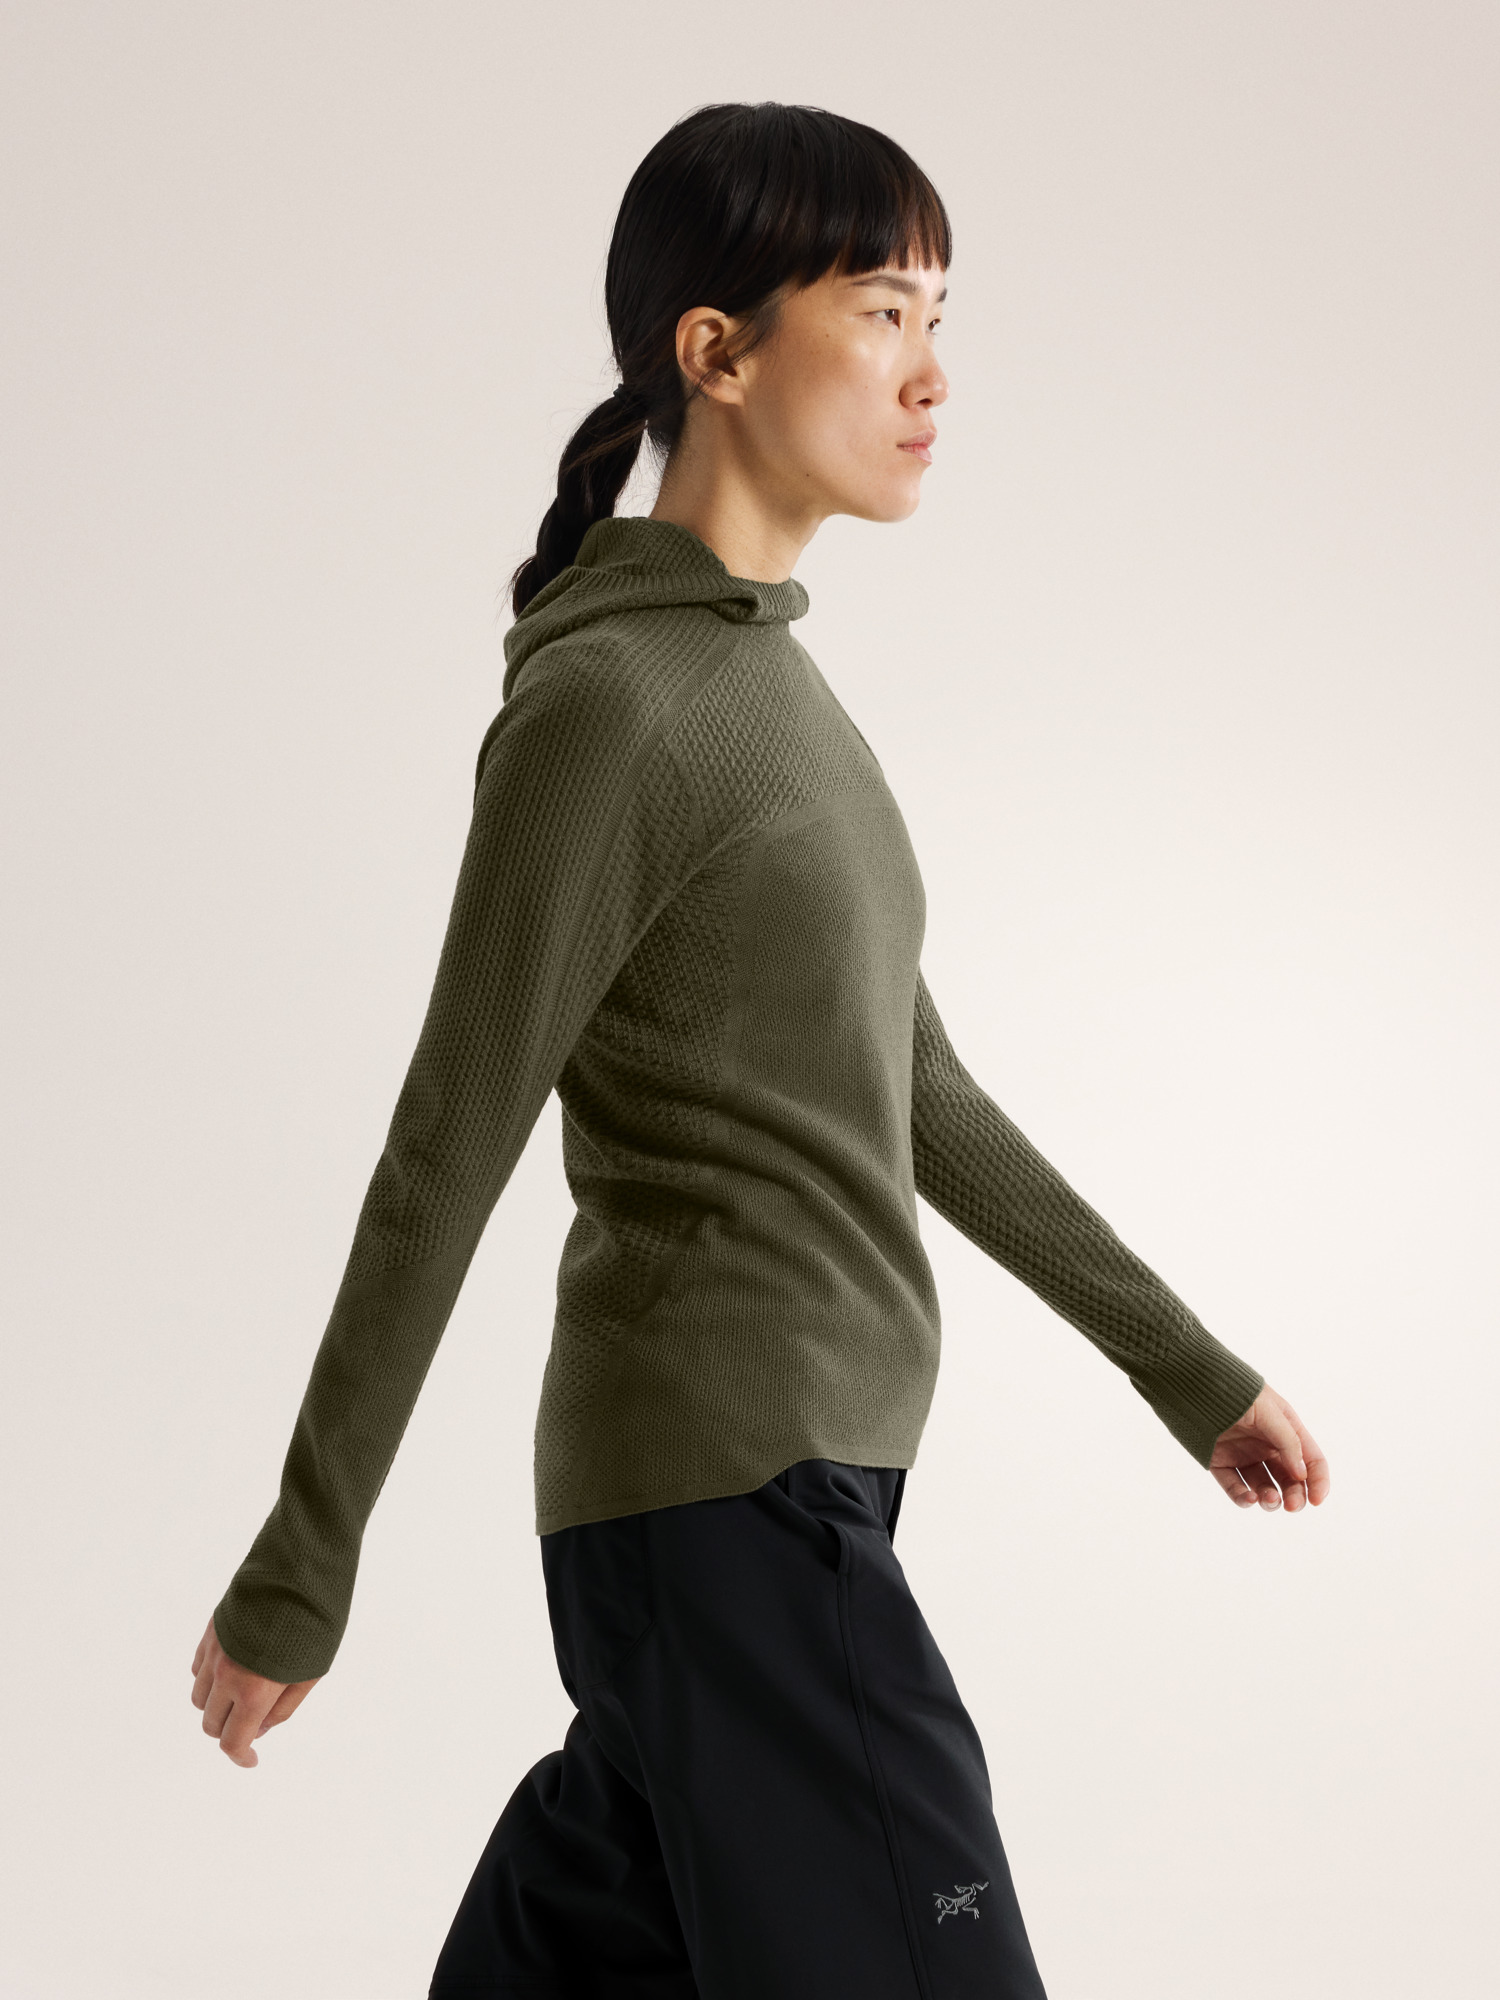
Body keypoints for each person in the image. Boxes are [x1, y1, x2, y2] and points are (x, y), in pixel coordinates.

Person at [190, 101, 1330, 1998]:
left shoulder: (766, 688)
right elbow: (445, 1147)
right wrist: (304, 1565)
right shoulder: (614, 708)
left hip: (764, 1505)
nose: (932, 373)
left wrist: (1186, 1368)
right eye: (882, 312)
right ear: (714, 351)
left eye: (940, 317)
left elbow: (922, 1092)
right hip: (738, 1506)